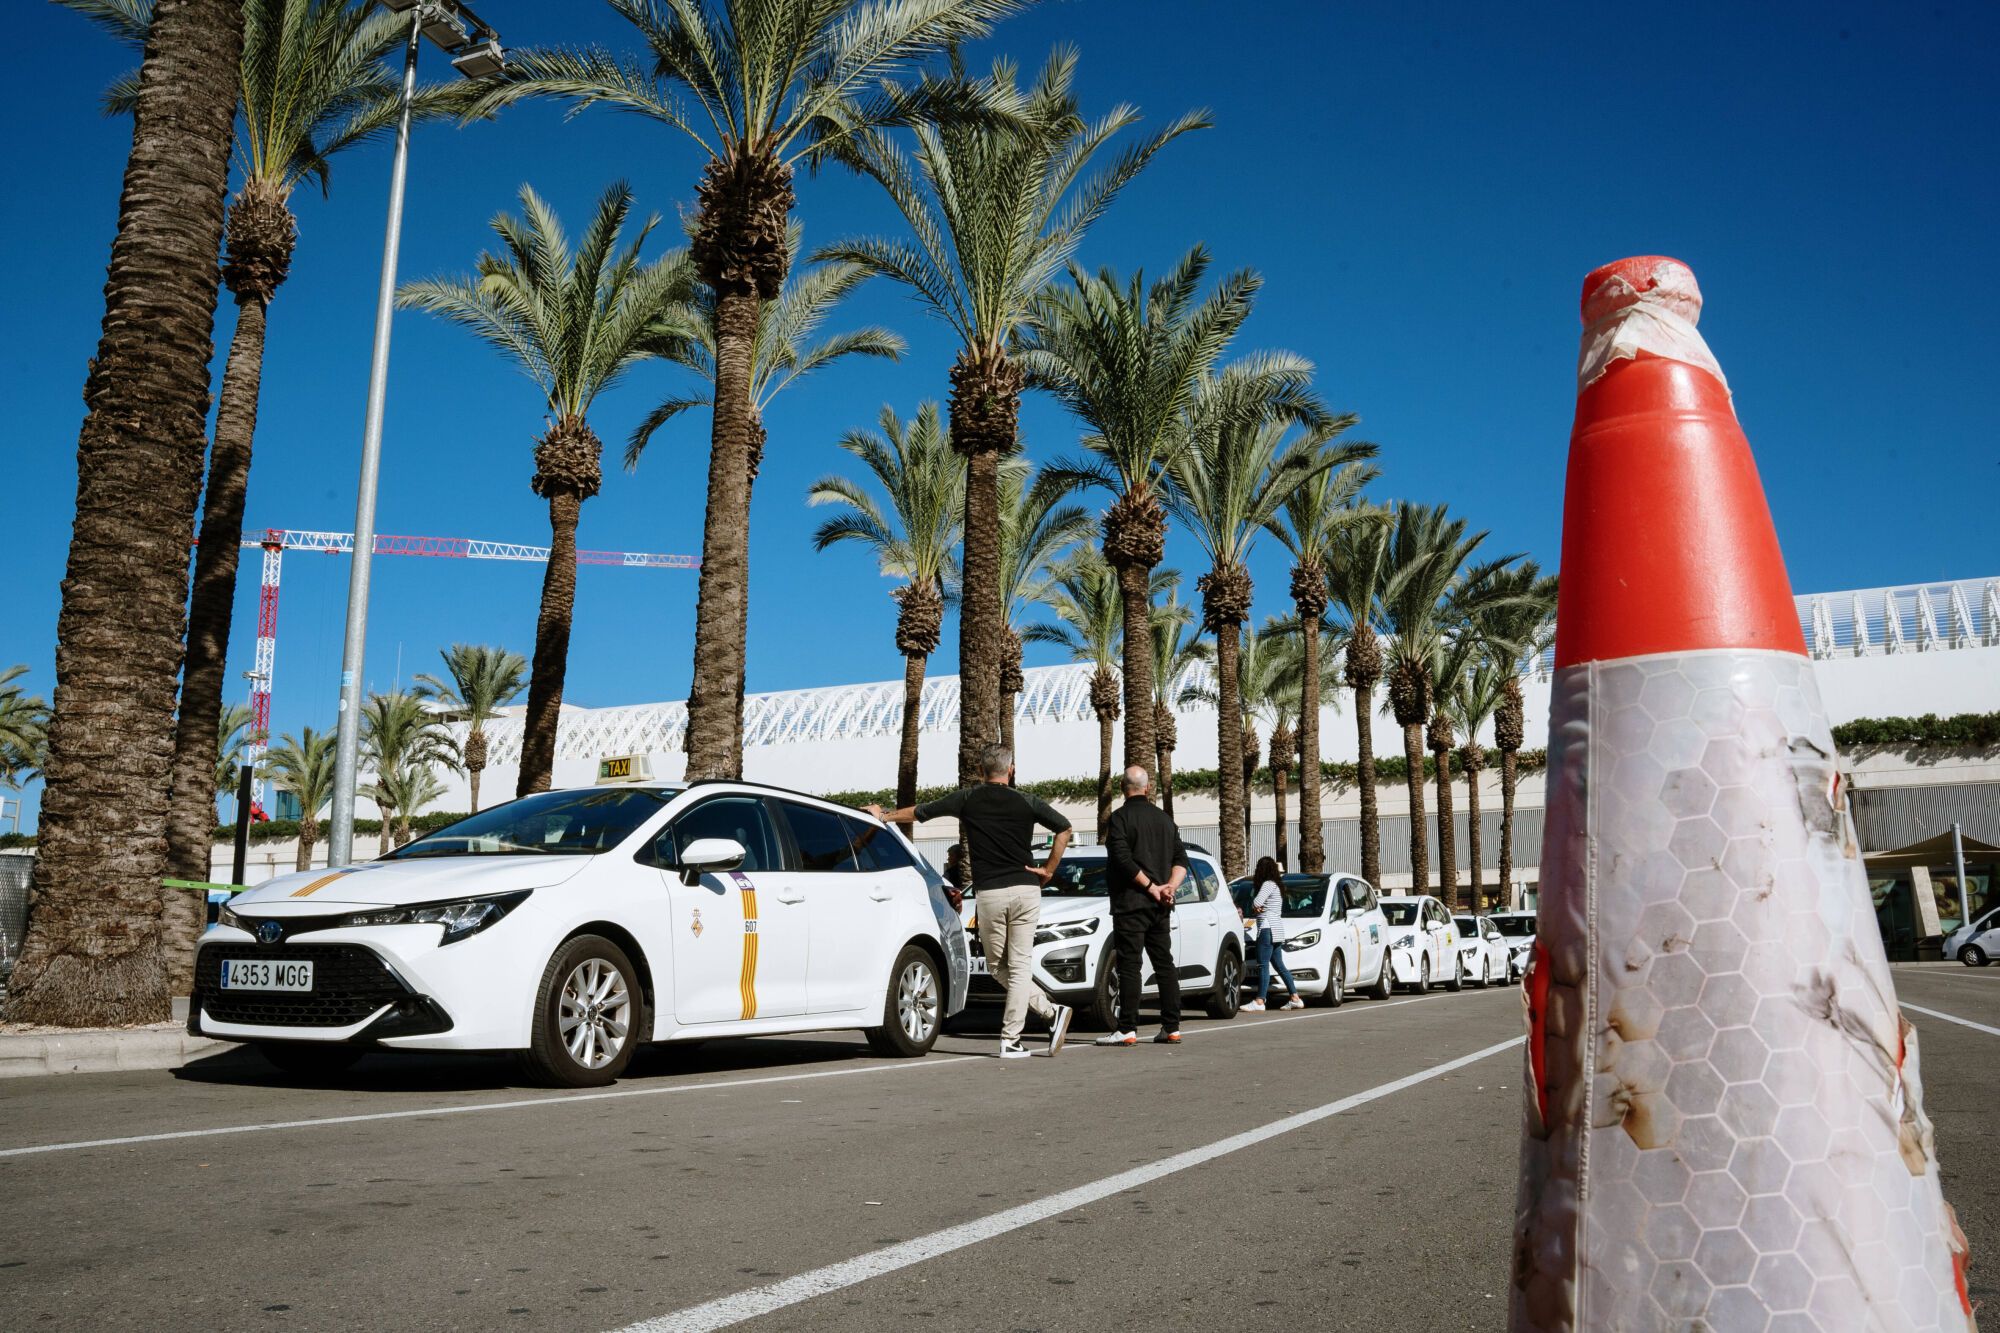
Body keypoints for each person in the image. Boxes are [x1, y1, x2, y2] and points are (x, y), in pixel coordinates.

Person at [871, 746, 1073, 1059]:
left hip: (990, 893)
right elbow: (1065, 827)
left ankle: (1010, 1039)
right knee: (1006, 967)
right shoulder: (1026, 801)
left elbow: (921, 812)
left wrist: (883, 816)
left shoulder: (967, 799)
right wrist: (1048, 869)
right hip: (1025, 890)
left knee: (1003, 967)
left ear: (981, 771)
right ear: (1012, 770)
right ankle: (1051, 1012)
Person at [1097, 765, 1188, 1047]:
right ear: (1148, 788)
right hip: (1160, 905)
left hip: (1131, 903)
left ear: (1124, 789)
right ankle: (1171, 1026)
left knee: (1129, 966)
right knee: (1164, 964)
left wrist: (1150, 887)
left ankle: (1127, 1028)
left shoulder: (1119, 819)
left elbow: (1122, 860)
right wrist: (1169, 887)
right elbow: (1181, 860)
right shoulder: (1164, 820)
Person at [1244, 855, 1303, 1011]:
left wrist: (1256, 907)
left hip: (1266, 928)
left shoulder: (1267, 884)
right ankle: (1295, 997)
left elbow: (1257, 902)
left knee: (1263, 965)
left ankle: (1259, 1001)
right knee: (1280, 966)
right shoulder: (1276, 885)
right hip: (1277, 929)